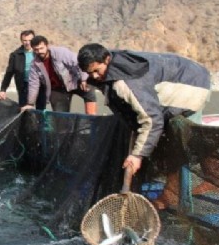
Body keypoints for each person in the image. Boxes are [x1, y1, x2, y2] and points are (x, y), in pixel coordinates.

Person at [77, 43, 211, 178]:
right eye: (89, 73)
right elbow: (134, 116)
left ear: (107, 60)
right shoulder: (110, 66)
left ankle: (191, 185)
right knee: (153, 137)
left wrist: (137, 155)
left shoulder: (127, 83)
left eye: (97, 71)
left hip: (193, 85)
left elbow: (152, 119)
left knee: (183, 146)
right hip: (177, 78)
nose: (93, 76)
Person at [20, 36, 97, 114]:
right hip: (57, 89)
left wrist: (83, 78)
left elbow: (77, 62)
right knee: (60, 115)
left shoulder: (61, 52)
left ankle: (91, 118)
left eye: (41, 48)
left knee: (88, 88)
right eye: (36, 49)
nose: (39, 51)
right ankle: (63, 124)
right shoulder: (34, 64)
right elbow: (34, 84)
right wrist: (30, 103)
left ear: (47, 46)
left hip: (74, 80)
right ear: (33, 49)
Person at [0, 30, 46, 109]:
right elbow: (9, 73)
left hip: (40, 86)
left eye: (30, 40)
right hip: (24, 87)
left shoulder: (40, 52)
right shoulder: (15, 55)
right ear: (21, 41)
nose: (27, 43)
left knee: (41, 111)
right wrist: (3, 90)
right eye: (25, 40)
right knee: (24, 111)